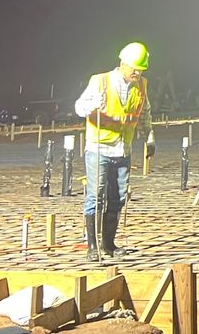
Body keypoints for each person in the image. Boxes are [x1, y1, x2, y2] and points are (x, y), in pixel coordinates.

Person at [74, 42, 154, 261]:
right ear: (123, 63)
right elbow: (79, 107)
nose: (137, 72)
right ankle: (93, 246)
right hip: (99, 148)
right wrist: (92, 106)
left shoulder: (142, 85)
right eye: (134, 68)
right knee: (96, 195)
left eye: (141, 69)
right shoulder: (99, 81)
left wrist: (150, 137)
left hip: (123, 150)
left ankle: (109, 244)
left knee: (118, 197)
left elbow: (144, 112)